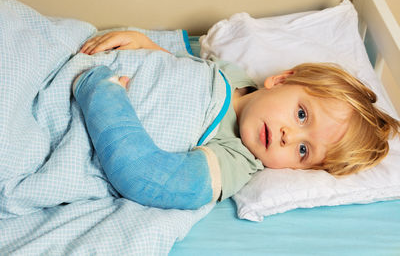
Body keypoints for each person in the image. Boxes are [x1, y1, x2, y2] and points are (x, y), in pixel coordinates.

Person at [74, 31, 400, 210]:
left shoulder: (233, 162)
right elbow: (181, 73)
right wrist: (148, 47)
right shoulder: (231, 75)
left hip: (93, 104)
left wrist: (103, 97)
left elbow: (148, 179)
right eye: (302, 115)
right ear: (282, 80)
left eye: (304, 150)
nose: (289, 136)